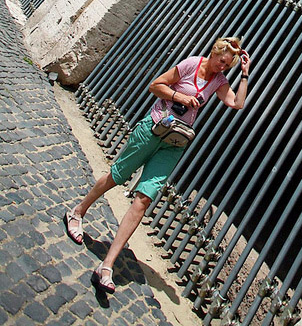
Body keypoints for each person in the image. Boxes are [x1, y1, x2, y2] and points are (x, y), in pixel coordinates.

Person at [64, 36, 250, 294]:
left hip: (174, 142)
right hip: (151, 129)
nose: (222, 67)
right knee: (117, 176)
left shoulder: (219, 81)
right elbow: (155, 85)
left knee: (144, 199)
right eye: (221, 61)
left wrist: (243, 75)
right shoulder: (191, 65)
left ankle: (107, 265)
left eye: (227, 65)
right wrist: (181, 98)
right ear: (214, 53)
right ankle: (78, 212)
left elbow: (237, 103)